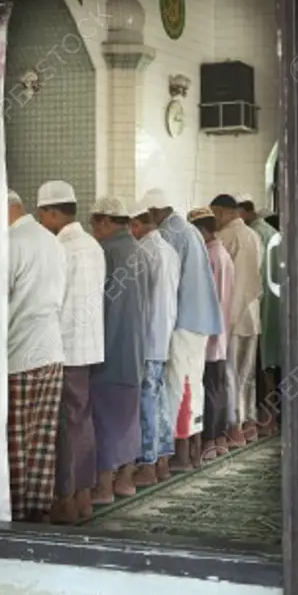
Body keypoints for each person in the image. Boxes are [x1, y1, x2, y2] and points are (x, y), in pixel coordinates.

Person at [36, 180, 106, 525]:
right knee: (82, 420)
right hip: (89, 346)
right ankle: (84, 495)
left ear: (51, 212)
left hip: (66, 348)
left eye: (41, 214)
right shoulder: (93, 245)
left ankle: (65, 498)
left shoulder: (60, 248)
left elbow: (52, 301)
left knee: (66, 423)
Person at [140, 187, 223, 472]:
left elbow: (167, 284)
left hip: (184, 321)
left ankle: (183, 454)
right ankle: (194, 449)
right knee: (192, 384)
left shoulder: (169, 233)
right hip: (199, 321)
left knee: (179, 386)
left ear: (152, 213)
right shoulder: (188, 229)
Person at [6, 189, 67, 522]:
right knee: (43, 440)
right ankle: (39, 512)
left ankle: (15, 514)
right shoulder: (51, 241)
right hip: (52, 352)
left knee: (17, 443)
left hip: (19, 356)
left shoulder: (11, 244)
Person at [89, 195, 149, 502]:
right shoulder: (141, 251)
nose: (93, 229)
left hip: (109, 352)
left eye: (94, 223)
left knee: (105, 421)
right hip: (136, 350)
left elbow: (97, 306)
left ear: (106, 221)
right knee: (128, 418)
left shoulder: (106, 252)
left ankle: (103, 487)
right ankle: (125, 480)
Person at [128, 202, 181, 487]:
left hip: (147, 337)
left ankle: (147, 463)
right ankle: (162, 459)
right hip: (164, 334)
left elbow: (140, 302)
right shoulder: (169, 251)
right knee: (159, 397)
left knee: (148, 399)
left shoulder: (143, 253)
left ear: (136, 225)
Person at [210, 193, 264, 444]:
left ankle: (235, 427)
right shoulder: (253, 235)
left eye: (214, 215)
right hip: (251, 314)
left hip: (233, 315)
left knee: (230, 375)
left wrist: (227, 322)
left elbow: (236, 285)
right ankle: (249, 422)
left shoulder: (227, 237)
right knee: (246, 374)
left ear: (221, 212)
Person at [188, 207, 234, 458]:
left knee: (211, 388)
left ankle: (210, 442)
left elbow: (209, 298)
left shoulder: (211, 256)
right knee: (218, 386)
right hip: (221, 330)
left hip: (211, 333)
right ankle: (218, 439)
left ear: (201, 230)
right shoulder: (222, 254)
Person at [238, 195, 282, 436]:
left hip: (261, 308)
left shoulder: (255, 234)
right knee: (269, 367)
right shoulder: (267, 233)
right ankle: (269, 420)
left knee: (261, 367)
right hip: (271, 306)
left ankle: (266, 419)